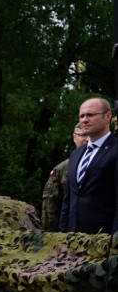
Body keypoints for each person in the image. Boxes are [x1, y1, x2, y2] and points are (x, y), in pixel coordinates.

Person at [59, 98, 118, 234]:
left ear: (107, 116)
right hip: (73, 242)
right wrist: (62, 236)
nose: (84, 120)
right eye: (81, 116)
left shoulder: (115, 150)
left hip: (104, 241)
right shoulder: (75, 154)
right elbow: (68, 200)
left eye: (90, 115)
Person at [41, 124, 86, 231]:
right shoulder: (61, 169)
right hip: (67, 231)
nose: (86, 139)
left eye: (89, 135)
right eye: (82, 135)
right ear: (74, 137)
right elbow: (50, 206)